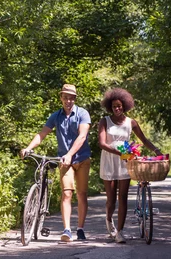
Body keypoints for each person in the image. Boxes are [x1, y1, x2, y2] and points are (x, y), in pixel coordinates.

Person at [21, 84, 91, 242]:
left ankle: (80, 228)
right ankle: (67, 230)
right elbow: (42, 134)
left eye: (71, 98)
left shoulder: (83, 114)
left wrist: (70, 154)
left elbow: (82, 136)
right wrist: (28, 148)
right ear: (61, 98)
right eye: (65, 97)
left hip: (82, 158)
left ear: (75, 99)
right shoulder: (56, 116)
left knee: (81, 194)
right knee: (67, 193)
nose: (68, 101)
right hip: (64, 161)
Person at [98, 88, 162, 243]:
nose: (117, 109)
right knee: (111, 200)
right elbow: (102, 143)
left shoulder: (131, 122)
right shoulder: (104, 121)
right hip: (109, 158)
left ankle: (119, 232)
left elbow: (144, 140)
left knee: (123, 197)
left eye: (119, 106)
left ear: (124, 105)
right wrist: (119, 153)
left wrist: (156, 150)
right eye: (114, 107)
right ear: (110, 107)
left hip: (126, 158)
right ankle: (108, 220)